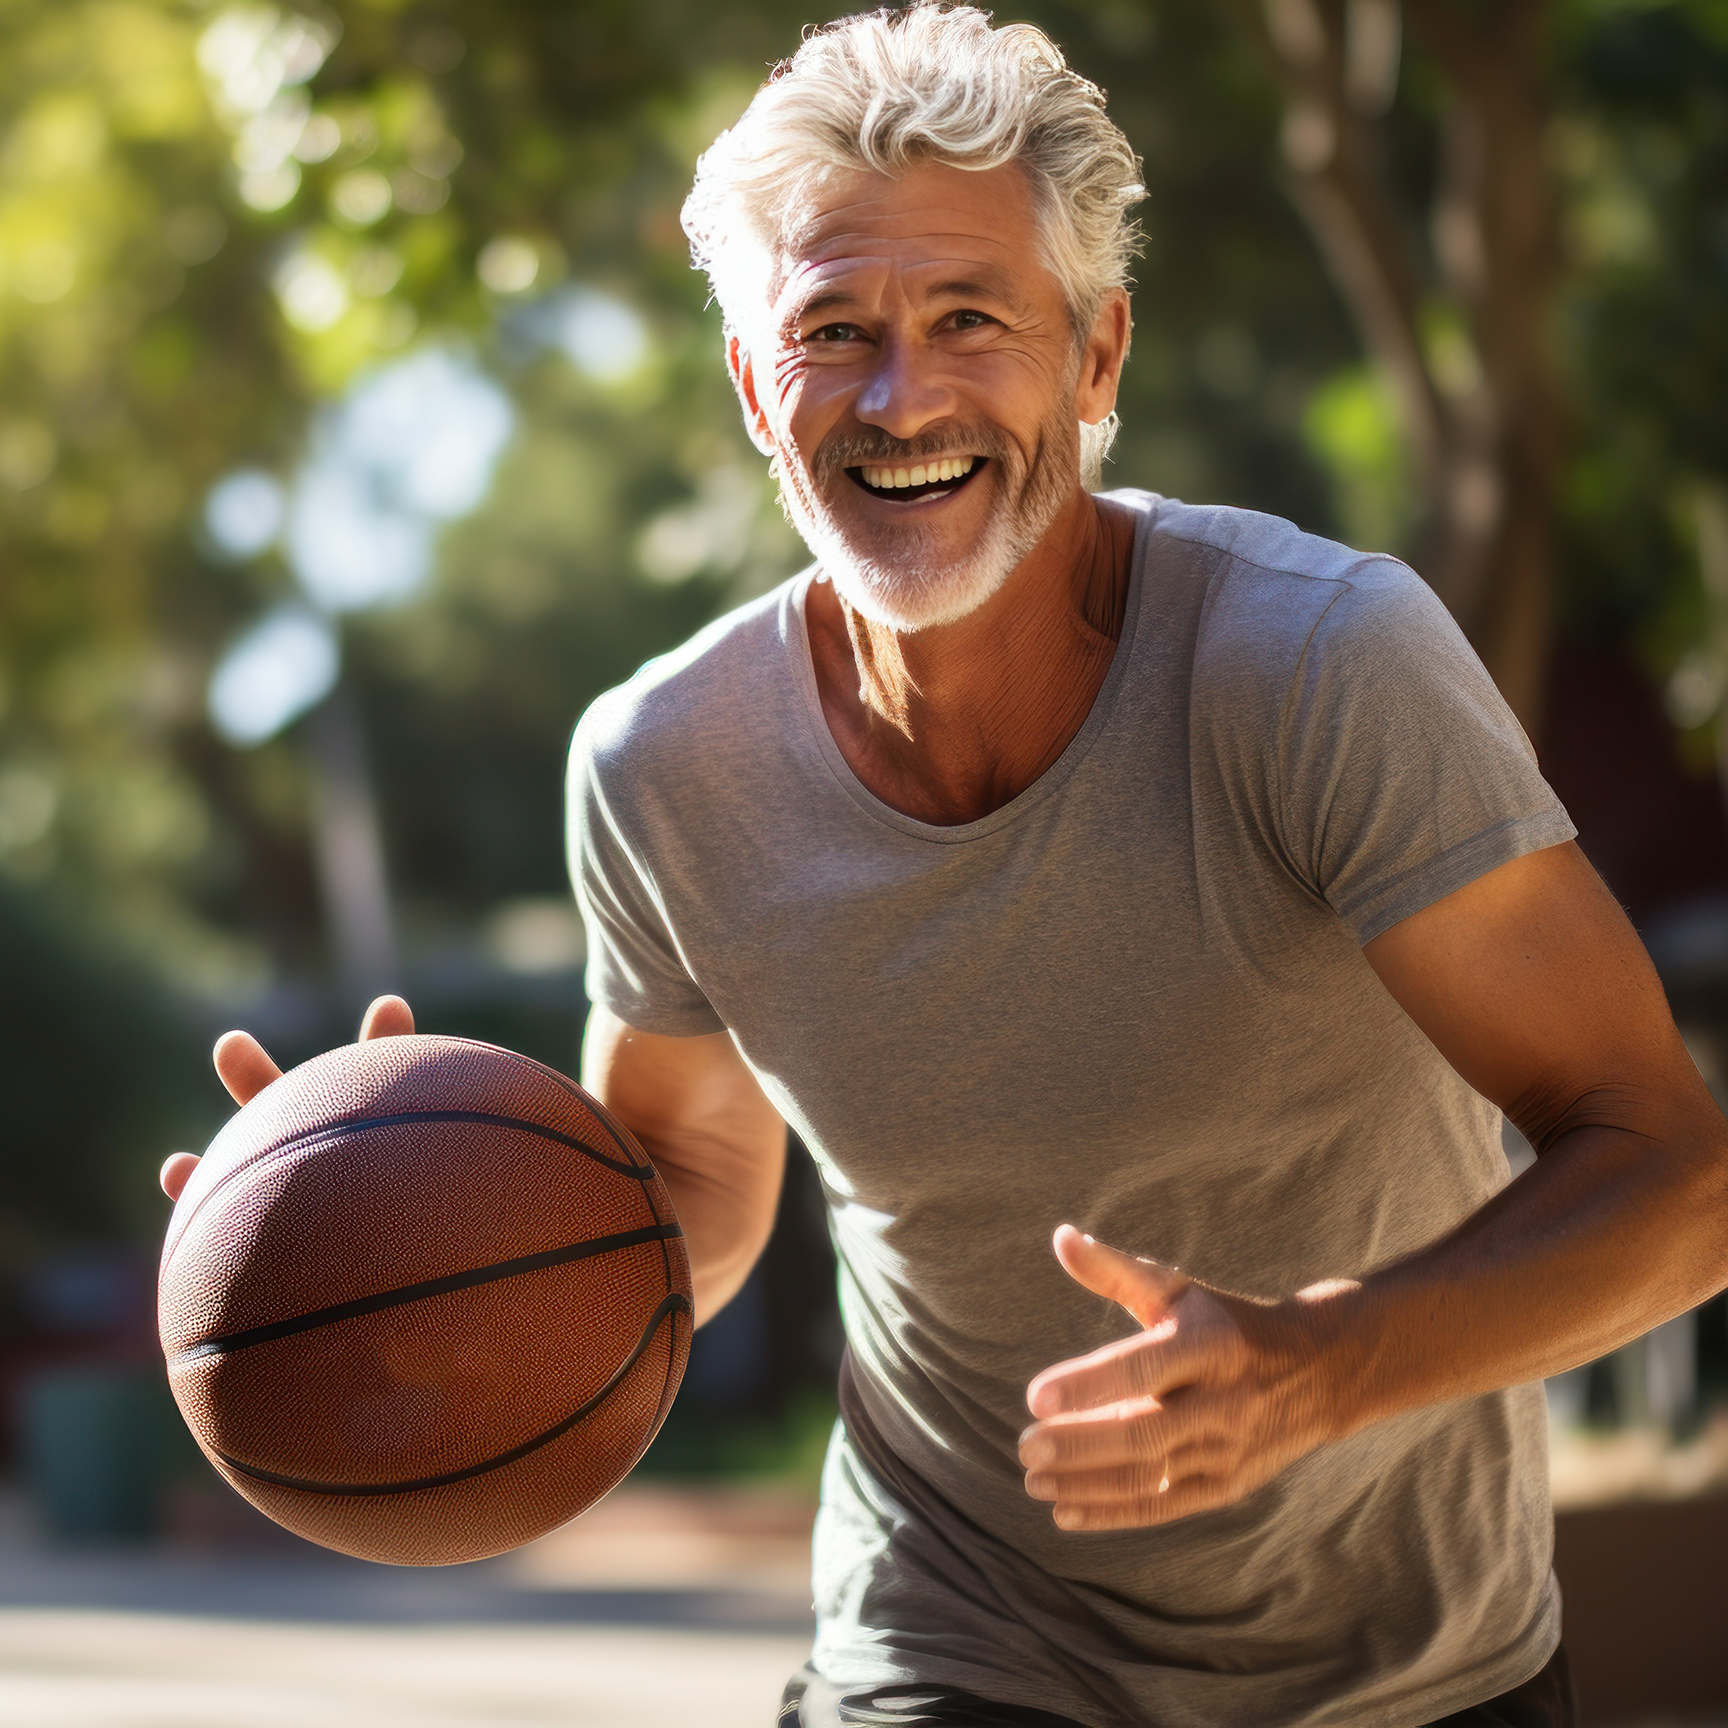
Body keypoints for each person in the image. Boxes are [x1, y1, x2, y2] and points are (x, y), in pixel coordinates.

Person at [164, 5, 1728, 1724]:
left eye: (971, 317)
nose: (904, 396)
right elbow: (674, 1194)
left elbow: (1675, 1176)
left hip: (1410, 1661)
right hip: (955, 1627)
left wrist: (1321, 1367)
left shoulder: (1315, 668)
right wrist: (355, 1224)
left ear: (1099, 356)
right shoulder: (663, 767)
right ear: (762, 388)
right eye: (834, 330)